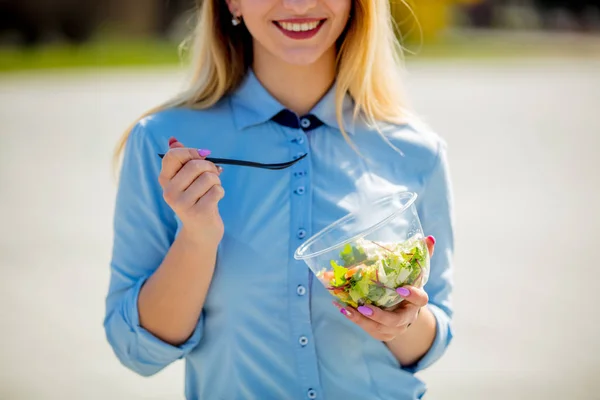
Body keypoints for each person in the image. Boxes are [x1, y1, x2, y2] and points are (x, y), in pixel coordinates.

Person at [104, 0, 455, 398]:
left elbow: (432, 342)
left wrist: (403, 321)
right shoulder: (161, 143)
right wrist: (197, 237)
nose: (300, 4)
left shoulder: (418, 151)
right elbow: (136, 351)